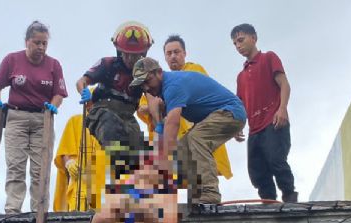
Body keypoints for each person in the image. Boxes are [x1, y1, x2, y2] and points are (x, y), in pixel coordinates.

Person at [132, 57, 246, 205]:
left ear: (159, 72)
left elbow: (173, 124)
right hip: (216, 115)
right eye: (142, 85)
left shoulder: (173, 86)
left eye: (147, 81)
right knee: (182, 151)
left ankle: (210, 192)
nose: (146, 88)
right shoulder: (163, 91)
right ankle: (196, 197)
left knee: (196, 139)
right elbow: (163, 125)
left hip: (230, 111)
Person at [0, 21, 68, 214]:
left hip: (43, 120)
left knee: (39, 169)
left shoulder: (53, 65)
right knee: (16, 165)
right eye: (37, 43)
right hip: (17, 117)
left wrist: (53, 105)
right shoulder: (12, 60)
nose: (41, 47)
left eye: (44, 43)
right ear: (27, 42)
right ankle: (12, 210)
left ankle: (38, 211)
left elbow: (59, 93)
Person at [137, 35, 232, 184]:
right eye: (169, 53)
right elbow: (142, 108)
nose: (173, 56)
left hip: (195, 131)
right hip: (174, 137)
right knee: (177, 176)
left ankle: (207, 199)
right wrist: (154, 106)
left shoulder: (193, 70)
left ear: (184, 53)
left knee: (199, 171)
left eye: (177, 52)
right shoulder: (156, 83)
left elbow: (210, 98)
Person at [76, 21, 153, 178]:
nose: (131, 58)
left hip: (127, 117)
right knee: (110, 126)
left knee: (141, 148)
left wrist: (159, 126)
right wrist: (85, 94)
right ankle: (119, 175)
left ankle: (138, 190)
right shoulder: (107, 64)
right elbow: (81, 81)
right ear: (119, 51)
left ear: (143, 54)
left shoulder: (144, 74)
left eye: (136, 55)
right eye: (127, 54)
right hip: (101, 112)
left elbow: (152, 99)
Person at [231, 24, 298, 203]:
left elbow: (284, 84)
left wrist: (282, 108)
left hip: (273, 121)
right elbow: (241, 106)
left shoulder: (269, 58)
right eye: (234, 43)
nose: (238, 45)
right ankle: (268, 204)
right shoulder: (241, 76)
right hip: (254, 129)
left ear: (254, 38)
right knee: (257, 171)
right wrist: (237, 126)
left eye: (241, 40)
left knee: (276, 160)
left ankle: (290, 199)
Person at [52, 110, 107, 212]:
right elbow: (64, 149)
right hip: (78, 182)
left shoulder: (111, 124)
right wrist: (69, 163)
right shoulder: (75, 121)